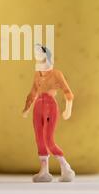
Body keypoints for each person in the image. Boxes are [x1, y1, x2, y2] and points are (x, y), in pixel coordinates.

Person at [23, 44, 76, 182]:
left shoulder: (56, 74)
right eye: (35, 54)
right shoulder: (37, 74)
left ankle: (66, 167)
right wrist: (27, 108)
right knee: (39, 139)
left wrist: (68, 109)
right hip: (38, 106)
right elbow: (33, 92)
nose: (37, 56)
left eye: (39, 53)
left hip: (50, 106)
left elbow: (68, 92)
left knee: (49, 140)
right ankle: (44, 171)